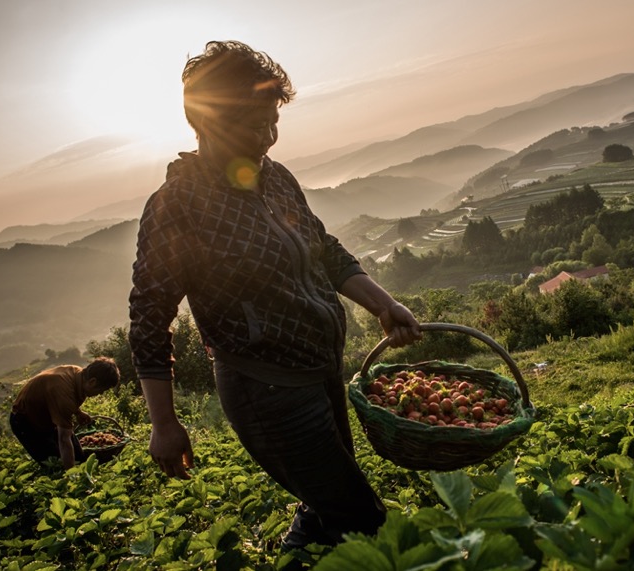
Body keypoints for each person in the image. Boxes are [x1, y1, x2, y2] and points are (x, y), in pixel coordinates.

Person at [128, 40, 421, 550]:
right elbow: (150, 315)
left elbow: (323, 249)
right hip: (265, 388)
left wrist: (382, 303)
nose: (268, 137)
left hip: (320, 370)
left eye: (272, 121)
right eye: (252, 124)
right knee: (362, 519)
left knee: (326, 502)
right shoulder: (178, 205)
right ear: (208, 121)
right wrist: (164, 423)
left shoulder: (275, 178)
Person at [9, 356, 120, 470]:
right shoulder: (62, 391)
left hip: (49, 417)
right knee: (55, 465)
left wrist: (78, 413)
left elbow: (61, 400)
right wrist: (71, 475)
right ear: (92, 382)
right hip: (27, 422)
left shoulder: (77, 374)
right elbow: (64, 438)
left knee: (79, 458)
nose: (101, 394)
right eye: (101, 390)